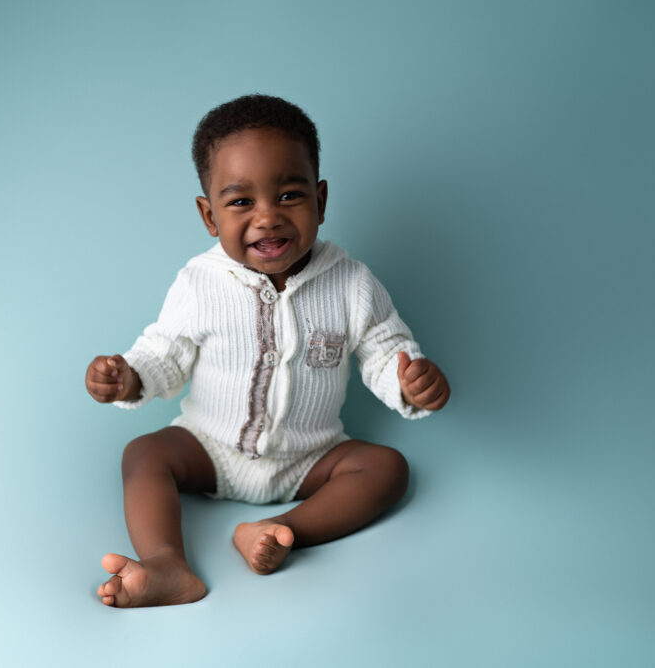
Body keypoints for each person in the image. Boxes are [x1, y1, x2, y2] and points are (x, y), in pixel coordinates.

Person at [85, 94, 450, 608]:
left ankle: (276, 529)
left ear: (321, 201)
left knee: (388, 468)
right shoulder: (199, 282)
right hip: (209, 448)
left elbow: (384, 349)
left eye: (289, 196)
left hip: (311, 456)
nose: (268, 218)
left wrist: (409, 380)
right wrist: (130, 376)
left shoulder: (351, 283)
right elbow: (165, 352)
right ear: (209, 216)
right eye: (240, 202)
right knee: (143, 454)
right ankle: (167, 564)